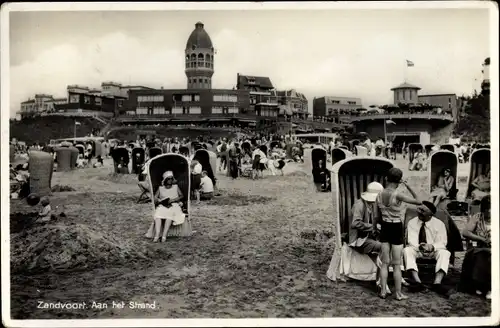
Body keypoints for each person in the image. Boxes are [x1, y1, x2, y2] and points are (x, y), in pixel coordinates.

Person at [375, 167, 422, 300]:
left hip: (385, 226)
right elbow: (418, 201)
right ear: (399, 180)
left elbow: (376, 215)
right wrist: (407, 185)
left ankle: (383, 291)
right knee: (396, 263)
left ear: (386, 179)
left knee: (385, 262)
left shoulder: (379, 194)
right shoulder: (398, 195)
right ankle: (398, 293)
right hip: (396, 226)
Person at [349, 182, 392, 294]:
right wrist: (373, 227)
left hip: (370, 237)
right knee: (383, 247)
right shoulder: (359, 205)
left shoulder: (373, 205)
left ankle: (381, 279)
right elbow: (355, 223)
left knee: (389, 245)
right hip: (359, 240)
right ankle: (381, 281)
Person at [403, 201, 452, 297]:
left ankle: (437, 283)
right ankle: (418, 282)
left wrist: (432, 246)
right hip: (418, 250)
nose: (420, 213)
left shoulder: (439, 224)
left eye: (423, 211)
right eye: (419, 210)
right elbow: (411, 240)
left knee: (445, 253)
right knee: (407, 250)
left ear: (431, 214)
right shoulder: (412, 222)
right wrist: (420, 246)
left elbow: (443, 242)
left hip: (433, 251)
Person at [459, 195, 491, 299]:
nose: (490, 212)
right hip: (479, 247)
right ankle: (481, 286)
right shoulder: (477, 217)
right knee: (483, 255)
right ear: (483, 209)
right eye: (487, 210)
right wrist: (481, 239)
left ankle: (489, 288)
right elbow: (465, 232)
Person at [145, 171, 185, 243]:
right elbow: (155, 198)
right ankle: (157, 235)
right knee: (158, 214)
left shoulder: (175, 187)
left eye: (171, 179)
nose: (170, 180)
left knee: (170, 213)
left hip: (174, 204)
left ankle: (164, 235)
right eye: (168, 179)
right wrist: (158, 200)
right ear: (165, 180)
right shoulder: (161, 188)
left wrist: (173, 200)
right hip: (164, 204)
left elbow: (182, 195)